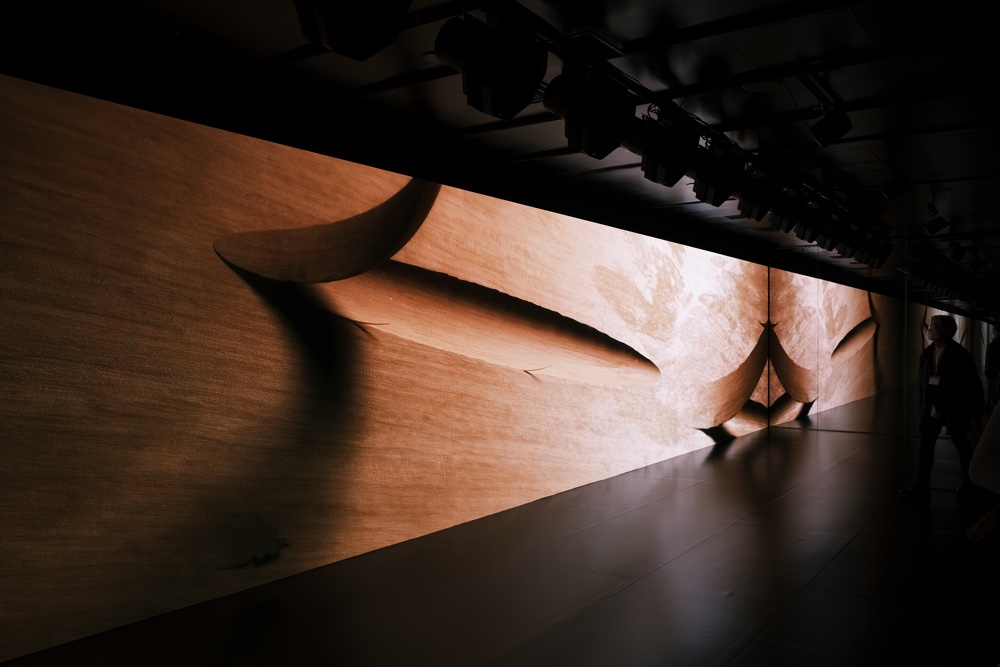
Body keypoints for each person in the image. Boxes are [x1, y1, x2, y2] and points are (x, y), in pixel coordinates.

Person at [901, 315, 984, 502]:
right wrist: (923, 406)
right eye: (931, 325)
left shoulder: (960, 355)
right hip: (932, 407)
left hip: (953, 407)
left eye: (935, 326)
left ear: (946, 331)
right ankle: (922, 485)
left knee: (962, 446)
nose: (930, 329)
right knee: (926, 447)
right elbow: (923, 383)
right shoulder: (927, 354)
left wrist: (973, 413)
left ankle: (967, 481)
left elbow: (971, 385)